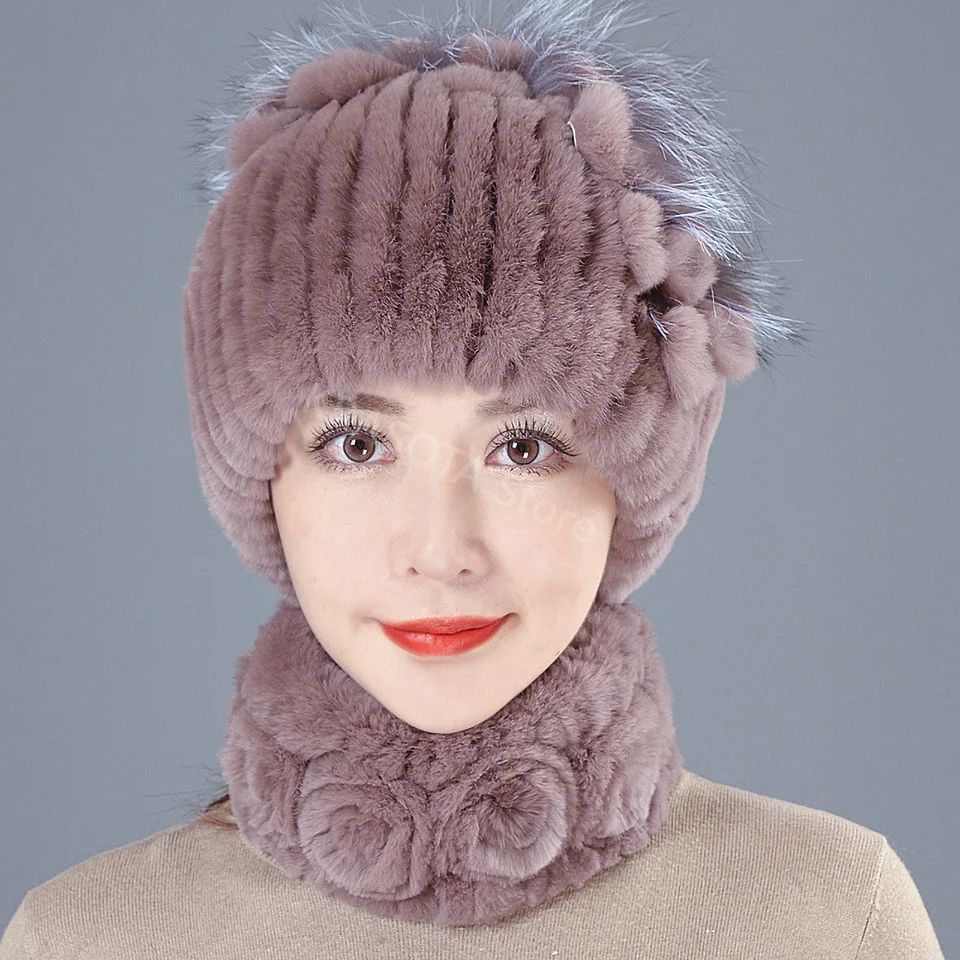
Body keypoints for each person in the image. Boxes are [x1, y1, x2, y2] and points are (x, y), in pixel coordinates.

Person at [0, 0, 945, 955]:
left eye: (523, 448)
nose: (440, 551)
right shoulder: (85, 940)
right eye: (357, 446)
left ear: (633, 484)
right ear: (259, 483)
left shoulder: (829, 917)